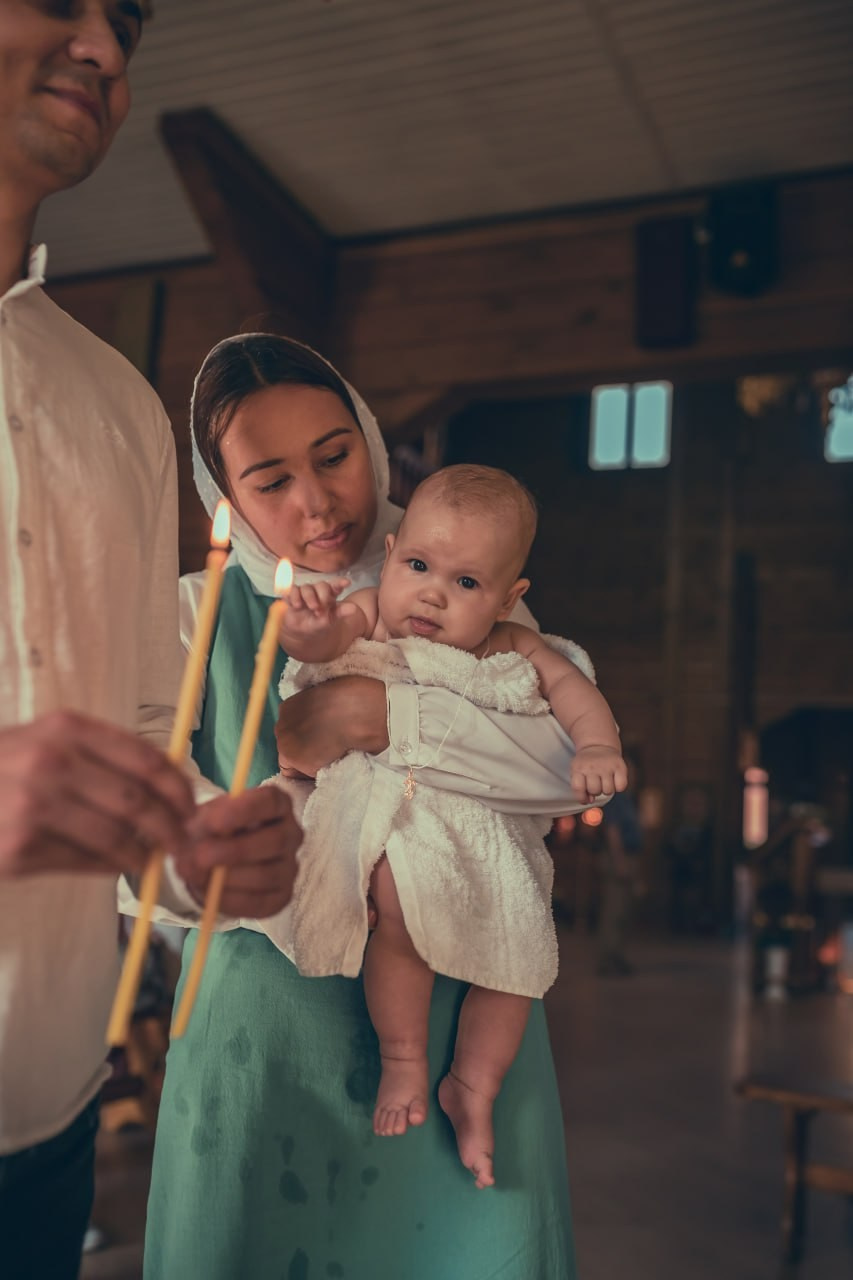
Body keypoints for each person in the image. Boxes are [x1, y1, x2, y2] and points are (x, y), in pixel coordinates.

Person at [143, 333, 596, 1279]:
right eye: (271, 481)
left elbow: (563, 772)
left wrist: (380, 715)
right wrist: (206, 853)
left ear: (371, 441)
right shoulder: (187, 614)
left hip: (461, 994)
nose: (316, 502)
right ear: (225, 497)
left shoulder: (459, 573)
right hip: (262, 1031)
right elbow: (143, 834)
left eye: (334, 455)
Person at [0, 8, 299, 1278]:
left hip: (45, 1110)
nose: (108, 53)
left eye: (125, 21)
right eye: (59, 0)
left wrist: (189, 849)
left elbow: (136, 723)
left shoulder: (117, 405)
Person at [279, 463, 626, 1187]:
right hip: (403, 814)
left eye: (466, 582)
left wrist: (597, 746)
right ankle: (403, 1059)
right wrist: (308, 629)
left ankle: (474, 1087)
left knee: (518, 956)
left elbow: (571, 688)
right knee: (399, 909)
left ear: (508, 596)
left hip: (487, 834)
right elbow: (324, 646)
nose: (433, 593)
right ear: (392, 552)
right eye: (417, 565)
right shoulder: (372, 609)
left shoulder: (511, 644)